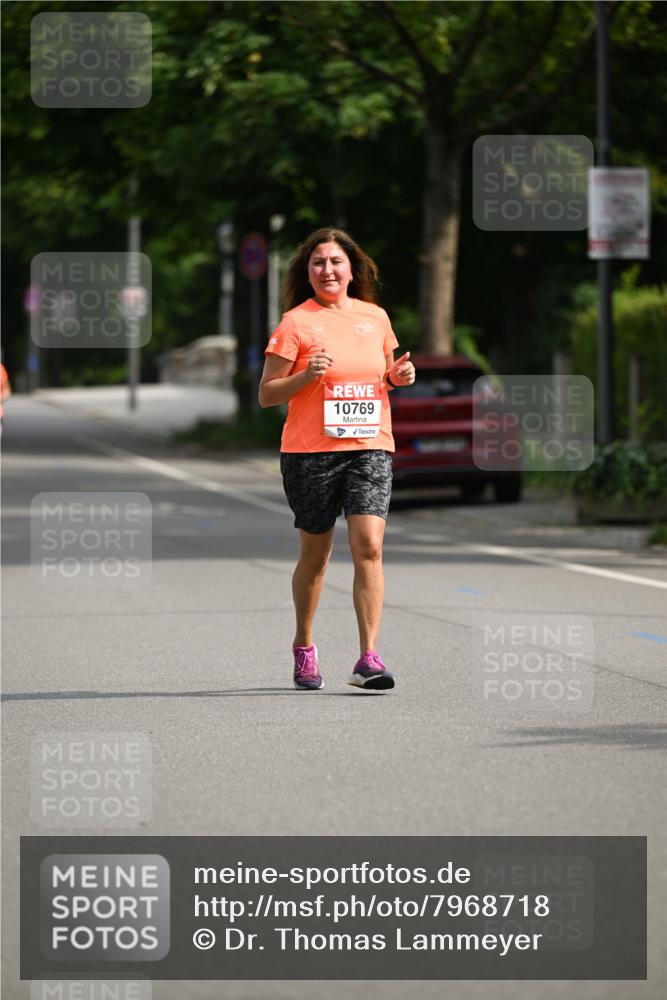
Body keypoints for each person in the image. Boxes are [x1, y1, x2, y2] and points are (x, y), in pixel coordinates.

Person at [258, 227, 415, 691]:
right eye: (318, 263)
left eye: (335, 261)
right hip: (310, 453)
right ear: (307, 274)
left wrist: (398, 376)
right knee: (317, 556)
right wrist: (306, 374)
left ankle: (369, 657)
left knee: (369, 546)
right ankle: (304, 646)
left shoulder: (376, 317)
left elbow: (383, 379)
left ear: (352, 270)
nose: (327, 269)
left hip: (369, 447)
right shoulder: (295, 323)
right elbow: (267, 394)